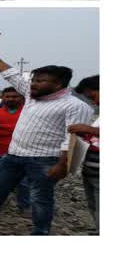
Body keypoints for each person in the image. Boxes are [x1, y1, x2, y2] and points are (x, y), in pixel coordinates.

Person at [0, 43, 94, 235]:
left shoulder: (75, 106)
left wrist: (63, 165)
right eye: (33, 79)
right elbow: (10, 73)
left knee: (40, 199)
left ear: (59, 84)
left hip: (45, 160)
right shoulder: (31, 94)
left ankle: (40, 233)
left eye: (40, 80)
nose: (33, 83)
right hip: (13, 156)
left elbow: (72, 139)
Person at [0, 87, 30, 214]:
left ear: (21, 98)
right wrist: (14, 129)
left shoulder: (28, 113)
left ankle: (24, 206)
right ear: (3, 97)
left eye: (14, 96)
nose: (10, 99)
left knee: (23, 183)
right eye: (7, 96)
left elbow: (27, 131)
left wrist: (3, 127)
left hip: (21, 153)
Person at [69, 75, 99, 233]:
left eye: (93, 96)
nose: (93, 102)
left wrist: (90, 130)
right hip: (91, 171)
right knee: (94, 205)